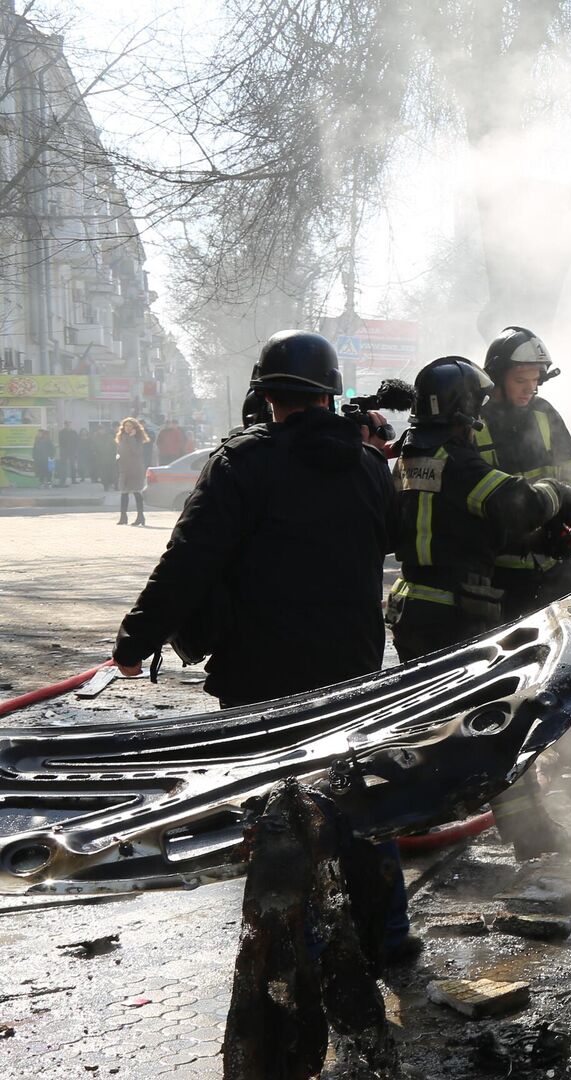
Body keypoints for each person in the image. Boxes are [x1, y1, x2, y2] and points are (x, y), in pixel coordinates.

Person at [109, 331, 414, 961]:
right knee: (355, 797)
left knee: (274, 808)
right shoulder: (368, 466)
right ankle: (386, 939)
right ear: (330, 392)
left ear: (266, 393)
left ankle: (291, 950)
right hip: (351, 669)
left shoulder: (242, 464)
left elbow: (188, 560)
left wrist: (136, 639)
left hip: (261, 676)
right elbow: (395, 542)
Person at [389, 356, 571, 859]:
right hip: (458, 611)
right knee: (493, 726)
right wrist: (555, 492)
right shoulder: (460, 463)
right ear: (462, 409)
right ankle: (532, 837)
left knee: (427, 724)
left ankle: (411, 816)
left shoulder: (407, 460)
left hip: (411, 605)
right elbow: (517, 502)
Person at [477, 326, 571, 620]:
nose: (530, 389)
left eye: (535, 380)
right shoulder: (477, 423)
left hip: (557, 569)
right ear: (497, 378)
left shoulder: (545, 414)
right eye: (520, 379)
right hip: (504, 576)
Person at [114, 418, 149, 523]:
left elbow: (136, 452)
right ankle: (123, 517)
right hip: (124, 469)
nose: (127, 428)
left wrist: (132, 438)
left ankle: (140, 517)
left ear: (135, 428)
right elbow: (119, 451)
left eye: (130, 426)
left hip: (135, 469)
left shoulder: (137, 439)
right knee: (123, 493)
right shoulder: (121, 438)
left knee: (136, 492)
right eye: (126, 426)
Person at [57, 421, 81, 485]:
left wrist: (76, 451)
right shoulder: (61, 432)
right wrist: (61, 451)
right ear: (65, 425)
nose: (68, 425)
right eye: (67, 424)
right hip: (64, 451)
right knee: (63, 466)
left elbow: (77, 442)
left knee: (73, 466)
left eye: (69, 424)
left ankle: (73, 480)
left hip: (72, 451)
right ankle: (62, 481)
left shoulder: (74, 432)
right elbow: (60, 442)